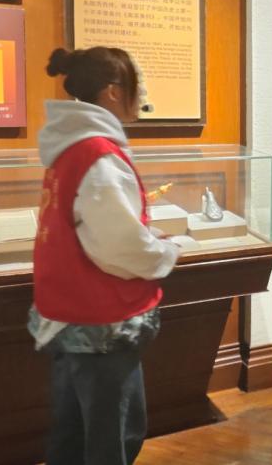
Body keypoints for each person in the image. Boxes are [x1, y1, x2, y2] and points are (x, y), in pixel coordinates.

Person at [28, 47, 181, 464]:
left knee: (73, 432)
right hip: (101, 323)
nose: (141, 93)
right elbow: (118, 248)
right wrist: (165, 252)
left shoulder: (70, 147)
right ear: (113, 91)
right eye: (136, 83)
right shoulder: (97, 154)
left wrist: (144, 235)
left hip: (69, 314)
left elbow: (91, 225)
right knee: (112, 436)